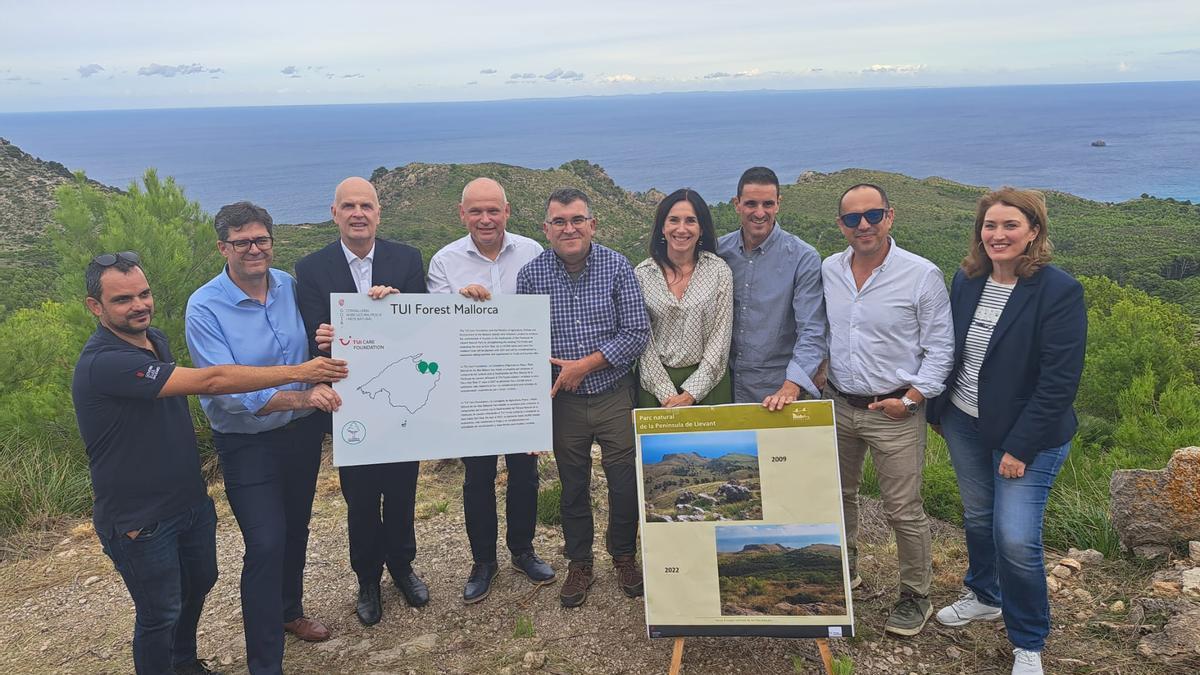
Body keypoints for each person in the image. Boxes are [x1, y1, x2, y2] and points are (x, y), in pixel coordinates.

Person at [72, 251, 347, 675]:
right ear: (95, 307)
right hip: (138, 514)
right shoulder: (106, 363)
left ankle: (185, 664)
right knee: (159, 613)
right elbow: (213, 381)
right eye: (123, 299)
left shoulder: (154, 340)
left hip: (187, 501)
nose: (139, 305)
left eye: (144, 294)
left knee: (198, 584)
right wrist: (303, 373)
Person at [928, 189, 1086, 675]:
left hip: (1027, 436)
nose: (997, 235)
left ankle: (1029, 640)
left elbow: (1059, 381)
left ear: (1034, 232)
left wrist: (1019, 446)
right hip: (964, 420)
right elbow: (950, 347)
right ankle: (983, 595)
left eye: (1010, 226)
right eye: (990, 226)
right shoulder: (968, 279)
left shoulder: (1059, 291)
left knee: (1016, 537)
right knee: (978, 516)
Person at [185, 202, 341, 674]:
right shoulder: (204, 306)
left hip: (300, 437)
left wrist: (337, 336)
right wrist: (304, 392)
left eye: (261, 240)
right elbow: (230, 389)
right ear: (223, 247)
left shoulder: (290, 287)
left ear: (272, 242)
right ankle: (264, 661)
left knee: (296, 529)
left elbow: (320, 346)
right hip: (247, 444)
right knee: (266, 542)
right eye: (242, 242)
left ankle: (289, 611)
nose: (254, 249)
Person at [294, 177, 429, 627]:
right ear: (334, 214)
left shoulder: (406, 260)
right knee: (361, 497)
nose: (358, 213)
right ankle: (367, 579)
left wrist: (395, 307)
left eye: (366, 206)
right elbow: (312, 333)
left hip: (402, 396)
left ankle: (403, 568)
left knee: (404, 491)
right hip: (348, 403)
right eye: (348, 206)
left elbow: (422, 327)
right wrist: (322, 335)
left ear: (378, 212)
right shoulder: (311, 268)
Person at [822, 183, 954, 637]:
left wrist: (912, 400)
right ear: (841, 225)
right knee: (838, 498)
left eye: (872, 215)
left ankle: (915, 594)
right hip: (839, 404)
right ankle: (847, 573)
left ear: (890, 217)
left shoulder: (921, 275)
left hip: (895, 410)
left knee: (903, 509)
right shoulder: (829, 270)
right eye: (853, 218)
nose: (863, 225)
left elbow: (940, 350)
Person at [516, 187, 651, 608]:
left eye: (577, 219)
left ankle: (624, 556)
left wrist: (584, 365)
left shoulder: (617, 267)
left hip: (613, 393)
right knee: (572, 486)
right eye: (559, 221)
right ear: (546, 228)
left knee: (623, 483)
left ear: (592, 224)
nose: (569, 228)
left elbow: (636, 333)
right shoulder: (531, 276)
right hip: (564, 403)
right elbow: (524, 342)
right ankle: (580, 562)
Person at [426, 177, 555, 603]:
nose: (485, 219)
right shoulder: (445, 262)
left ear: (507, 211)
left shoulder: (534, 251)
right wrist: (460, 304)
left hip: (521, 384)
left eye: (493, 210)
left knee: (525, 474)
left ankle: (522, 550)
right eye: (476, 211)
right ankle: (483, 561)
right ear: (462, 215)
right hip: (472, 387)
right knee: (477, 477)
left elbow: (546, 316)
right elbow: (435, 329)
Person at [716, 166, 826, 411]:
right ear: (737, 204)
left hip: (778, 393)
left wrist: (792, 385)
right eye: (751, 204)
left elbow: (812, 330)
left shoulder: (802, 258)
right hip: (722, 387)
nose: (759, 212)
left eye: (767, 204)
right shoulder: (718, 253)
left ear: (778, 204)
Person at [634, 188, 733, 407]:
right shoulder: (642, 274)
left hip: (710, 386)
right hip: (655, 387)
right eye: (673, 220)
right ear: (662, 226)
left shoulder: (719, 271)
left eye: (690, 221)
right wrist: (666, 394)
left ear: (701, 228)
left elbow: (721, 338)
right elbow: (643, 341)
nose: (681, 229)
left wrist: (691, 394)